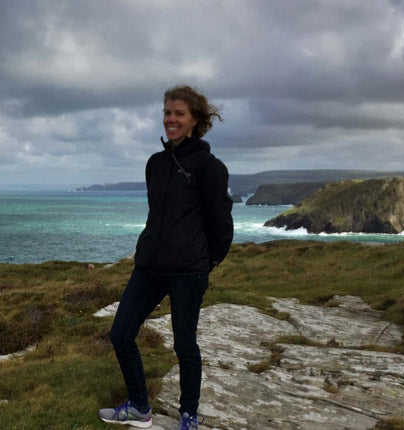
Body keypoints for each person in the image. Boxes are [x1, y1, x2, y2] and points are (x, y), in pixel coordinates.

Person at [98, 85, 234, 430]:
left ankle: (188, 415)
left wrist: (205, 263)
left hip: (188, 271)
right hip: (149, 267)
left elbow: (221, 226)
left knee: (184, 343)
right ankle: (139, 407)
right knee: (121, 334)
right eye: (167, 112)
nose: (171, 119)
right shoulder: (155, 164)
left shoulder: (209, 167)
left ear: (195, 121)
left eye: (179, 114)